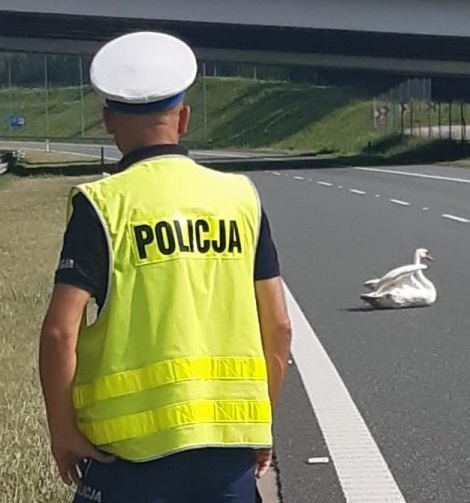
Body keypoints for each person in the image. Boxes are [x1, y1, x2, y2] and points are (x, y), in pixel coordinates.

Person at [38, 31, 292, 503]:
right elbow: (277, 326)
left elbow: (59, 333)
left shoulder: (103, 206)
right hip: (226, 455)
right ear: (185, 117)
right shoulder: (240, 199)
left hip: (126, 460)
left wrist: (62, 430)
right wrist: (260, 423)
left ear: (108, 121)